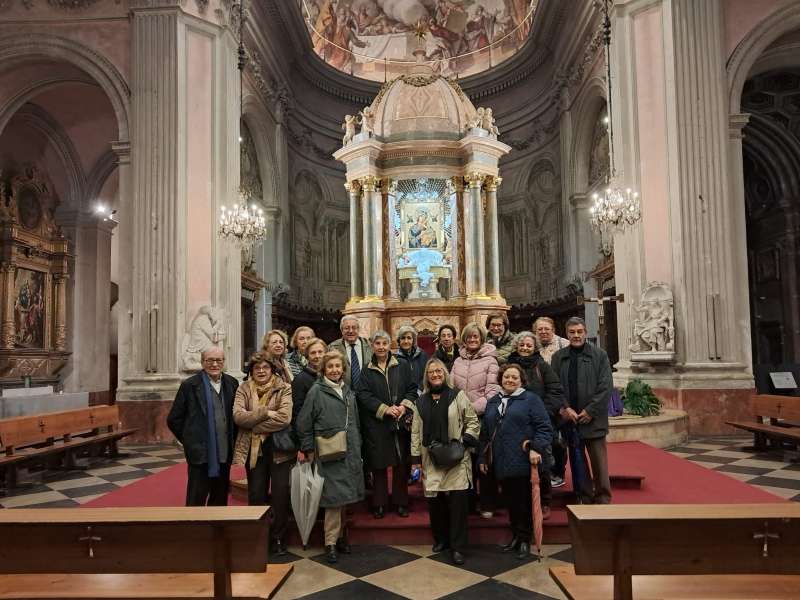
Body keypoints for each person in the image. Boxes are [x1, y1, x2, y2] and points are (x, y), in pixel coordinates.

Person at [297, 350, 365, 564]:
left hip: (350, 452)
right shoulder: (316, 391)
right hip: (328, 454)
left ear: (343, 369)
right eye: (330, 367)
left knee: (345, 499)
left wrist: (358, 447)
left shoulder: (348, 391)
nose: (335, 370)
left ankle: (341, 537)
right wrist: (309, 449)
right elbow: (303, 423)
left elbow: (355, 422)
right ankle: (330, 543)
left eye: (338, 366)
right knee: (334, 501)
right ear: (323, 369)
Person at [410, 358, 480, 566]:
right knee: (436, 502)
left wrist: (464, 442)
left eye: (439, 371)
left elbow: (473, 421)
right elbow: (415, 432)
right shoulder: (420, 402)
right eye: (431, 372)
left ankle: (458, 547)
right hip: (430, 457)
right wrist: (415, 460)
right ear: (426, 376)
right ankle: (441, 539)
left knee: (458, 504)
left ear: (445, 374)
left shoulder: (457, 396)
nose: (435, 374)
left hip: (456, 456)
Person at [479, 364, 552, 559]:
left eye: (514, 377)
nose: (510, 380)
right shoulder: (494, 401)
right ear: (501, 379)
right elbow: (485, 433)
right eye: (506, 377)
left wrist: (536, 447)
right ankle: (515, 537)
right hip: (501, 461)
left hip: (523, 460)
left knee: (523, 502)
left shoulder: (531, 399)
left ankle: (524, 540)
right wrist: (482, 457)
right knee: (511, 502)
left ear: (521, 380)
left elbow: (544, 427)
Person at [231, 353, 293, 555]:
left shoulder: (284, 387)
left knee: (280, 495)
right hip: (253, 451)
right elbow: (238, 417)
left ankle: (278, 538)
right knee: (256, 494)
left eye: (265, 367)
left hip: (279, 450)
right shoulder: (243, 388)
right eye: (256, 368)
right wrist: (265, 412)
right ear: (251, 371)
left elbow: (284, 418)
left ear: (272, 370)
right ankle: (258, 536)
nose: (261, 371)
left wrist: (255, 427)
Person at [551, 317, 613, 504]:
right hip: (570, 419)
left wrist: (591, 411)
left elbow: (605, 386)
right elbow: (554, 387)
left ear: (585, 332)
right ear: (566, 334)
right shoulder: (558, 357)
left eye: (579, 331)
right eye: (572, 332)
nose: (576, 335)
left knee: (599, 463)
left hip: (593, 419)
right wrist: (565, 408)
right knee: (578, 462)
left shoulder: (599, 355)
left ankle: (603, 498)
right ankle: (584, 497)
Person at [356, 330, 418, 518]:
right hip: (378, 423)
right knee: (379, 465)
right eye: (377, 344)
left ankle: (401, 502)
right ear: (372, 346)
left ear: (390, 345)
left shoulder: (402, 365)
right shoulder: (366, 370)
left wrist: (403, 407)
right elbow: (363, 395)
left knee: (401, 464)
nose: (381, 347)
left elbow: (412, 389)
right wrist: (384, 409)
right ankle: (380, 503)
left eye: (384, 343)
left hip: (400, 421)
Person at [167, 347, 239, 506]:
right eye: (210, 360)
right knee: (196, 500)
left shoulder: (232, 383)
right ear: (202, 362)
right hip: (200, 453)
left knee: (220, 498)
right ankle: (194, 524)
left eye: (218, 360)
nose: (214, 364)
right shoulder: (190, 385)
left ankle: (217, 522)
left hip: (224, 451)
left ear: (224, 362)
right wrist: (190, 440)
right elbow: (174, 419)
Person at [451, 322, 501, 518]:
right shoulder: (458, 361)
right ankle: (469, 504)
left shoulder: (491, 360)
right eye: (469, 337)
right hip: (461, 420)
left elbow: (492, 392)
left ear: (481, 339)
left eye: (475, 337)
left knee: (484, 461)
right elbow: (451, 388)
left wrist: (469, 410)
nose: (472, 340)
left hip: (482, 419)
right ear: (464, 340)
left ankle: (488, 504)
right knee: (466, 463)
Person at [508, 331, 567, 490]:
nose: (525, 348)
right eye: (522, 345)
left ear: (535, 348)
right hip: (515, 420)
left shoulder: (542, 366)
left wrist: (543, 413)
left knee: (543, 458)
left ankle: (545, 494)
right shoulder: (508, 366)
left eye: (529, 345)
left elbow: (555, 391)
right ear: (516, 346)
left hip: (541, 420)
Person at [290, 337, 327, 437]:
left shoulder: (331, 377)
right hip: (312, 435)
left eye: (320, 352)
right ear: (307, 356)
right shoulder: (300, 380)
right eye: (313, 353)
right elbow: (298, 414)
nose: (317, 356)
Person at [329, 315, 373, 388]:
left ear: (358, 329)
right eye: (347, 328)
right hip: (342, 391)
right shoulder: (332, 348)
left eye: (354, 328)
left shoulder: (370, 346)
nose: (351, 331)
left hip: (367, 391)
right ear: (341, 330)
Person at [395, 325, 429, 390]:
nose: (406, 341)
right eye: (403, 338)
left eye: (409, 338)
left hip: (421, 392)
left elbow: (427, 375)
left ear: (413, 340)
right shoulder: (394, 358)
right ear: (399, 340)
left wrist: (419, 391)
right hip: (403, 394)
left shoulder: (423, 355)